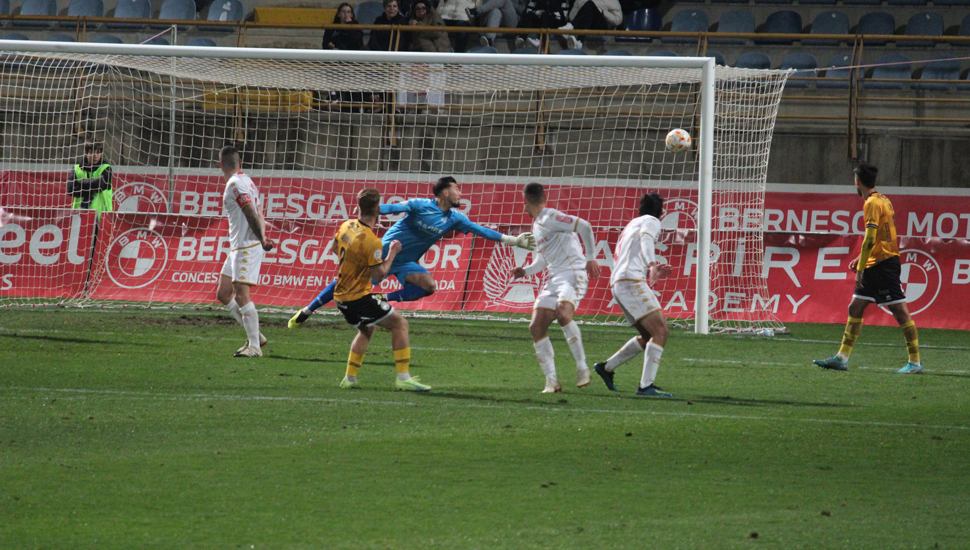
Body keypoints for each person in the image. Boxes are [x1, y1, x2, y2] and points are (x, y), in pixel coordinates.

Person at [289, 176, 536, 327]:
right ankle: (306, 310)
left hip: (406, 261)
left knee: (429, 286)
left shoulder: (456, 219)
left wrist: (514, 240)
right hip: (386, 251)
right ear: (446, 192)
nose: (461, 193)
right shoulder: (419, 205)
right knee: (347, 283)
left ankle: (383, 299)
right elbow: (387, 208)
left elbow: (483, 231)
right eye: (457, 189)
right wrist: (365, 211)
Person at [813, 163, 922, 374]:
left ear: (857, 182)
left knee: (900, 312)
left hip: (885, 266)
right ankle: (841, 358)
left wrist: (860, 269)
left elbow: (871, 237)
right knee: (855, 307)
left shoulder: (872, 203)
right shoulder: (884, 200)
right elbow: (880, 237)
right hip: (877, 263)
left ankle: (915, 363)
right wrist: (862, 259)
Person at [333, 189, 431, 391]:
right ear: (378, 209)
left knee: (368, 328)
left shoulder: (346, 226)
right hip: (358, 297)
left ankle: (349, 379)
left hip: (340, 295)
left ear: (358, 207)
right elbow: (380, 275)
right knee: (400, 324)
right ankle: (403, 378)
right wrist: (392, 252)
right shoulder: (372, 241)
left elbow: (335, 248)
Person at [511, 182, 600, 393]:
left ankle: (582, 368)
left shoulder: (551, 217)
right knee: (536, 327)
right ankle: (551, 381)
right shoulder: (536, 226)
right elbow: (541, 262)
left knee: (562, 311)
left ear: (525, 202)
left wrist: (590, 258)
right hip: (554, 279)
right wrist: (525, 271)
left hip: (573, 274)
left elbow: (585, 226)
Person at [592, 192, 675, 397]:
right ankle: (646, 386)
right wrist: (652, 265)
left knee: (649, 335)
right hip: (629, 280)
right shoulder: (651, 221)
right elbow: (646, 239)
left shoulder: (631, 224)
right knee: (661, 332)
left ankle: (606, 368)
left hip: (619, 281)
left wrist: (649, 269)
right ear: (660, 213)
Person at [214, 145, 275, 358]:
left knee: (242, 295)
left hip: (246, 245)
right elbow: (259, 210)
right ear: (240, 163)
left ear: (220, 165)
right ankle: (256, 336)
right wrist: (263, 236)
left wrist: (261, 239)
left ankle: (255, 347)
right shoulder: (246, 180)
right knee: (223, 293)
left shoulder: (234, 184)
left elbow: (250, 211)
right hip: (238, 246)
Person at [66, 142, 113, 217]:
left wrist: (80, 183)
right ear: (86, 152)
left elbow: (100, 186)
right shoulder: (76, 169)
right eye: (92, 152)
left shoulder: (106, 168)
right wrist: (92, 186)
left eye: (98, 153)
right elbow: (71, 190)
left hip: (101, 215)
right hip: (79, 215)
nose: (95, 156)